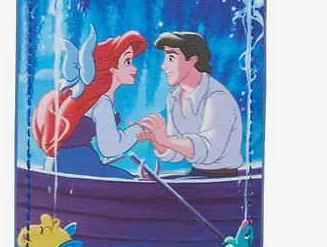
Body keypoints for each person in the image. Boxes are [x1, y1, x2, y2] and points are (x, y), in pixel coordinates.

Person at [32, 30, 146, 178]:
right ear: (111, 67)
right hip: (78, 166)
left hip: (58, 164)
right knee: (131, 182)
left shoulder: (90, 99)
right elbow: (110, 148)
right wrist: (138, 129)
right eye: (128, 62)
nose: (134, 68)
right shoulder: (101, 103)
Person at [138, 31, 243, 176]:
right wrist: (156, 139)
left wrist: (165, 140)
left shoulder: (216, 97)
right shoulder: (174, 96)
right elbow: (176, 153)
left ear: (192, 60)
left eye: (171, 58)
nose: (163, 65)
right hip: (196, 174)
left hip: (221, 178)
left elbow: (209, 151)